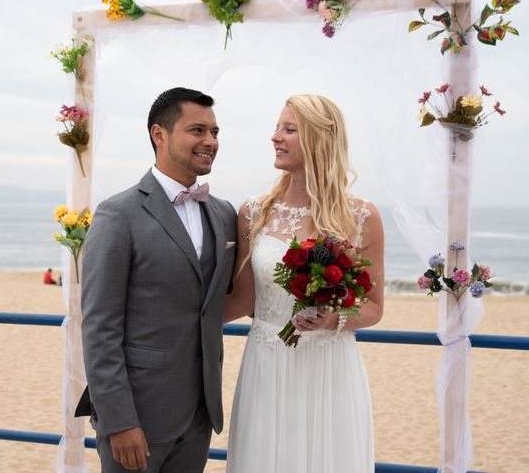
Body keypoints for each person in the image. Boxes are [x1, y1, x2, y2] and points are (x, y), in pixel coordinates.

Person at [79, 87, 238, 473]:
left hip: (200, 416)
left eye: (215, 132)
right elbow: (99, 328)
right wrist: (119, 422)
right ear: (159, 134)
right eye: (197, 130)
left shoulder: (223, 213)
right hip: (138, 418)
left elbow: (219, 300)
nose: (210, 141)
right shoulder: (118, 214)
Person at [224, 94, 385, 472]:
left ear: (318, 139)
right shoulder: (253, 212)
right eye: (278, 127)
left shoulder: (361, 216)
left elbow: (374, 307)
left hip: (329, 368)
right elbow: (243, 299)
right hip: (266, 363)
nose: (274, 137)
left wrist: (333, 319)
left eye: (288, 129)